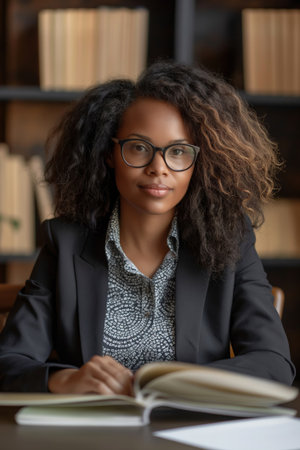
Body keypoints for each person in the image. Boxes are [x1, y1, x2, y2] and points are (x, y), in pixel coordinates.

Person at [0, 61, 295, 393]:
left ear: (200, 161)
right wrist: (64, 379)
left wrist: (174, 385)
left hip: (190, 432)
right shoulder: (66, 242)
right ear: (109, 152)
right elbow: (9, 362)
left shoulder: (230, 239)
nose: (159, 169)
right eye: (139, 147)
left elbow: (273, 363)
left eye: (179, 152)